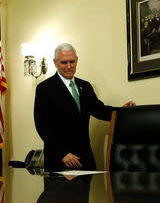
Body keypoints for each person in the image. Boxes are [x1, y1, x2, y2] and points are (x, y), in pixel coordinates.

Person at [34, 43, 136, 171]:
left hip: (85, 159)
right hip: (59, 161)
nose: (69, 66)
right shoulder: (45, 88)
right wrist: (62, 153)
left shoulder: (85, 86)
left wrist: (122, 112)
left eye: (72, 61)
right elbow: (42, 126)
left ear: (77, 60)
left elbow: (100, 110)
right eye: (64, 62)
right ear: (55, 62)